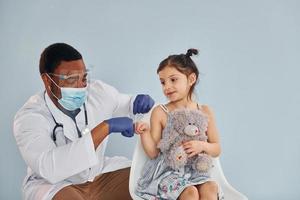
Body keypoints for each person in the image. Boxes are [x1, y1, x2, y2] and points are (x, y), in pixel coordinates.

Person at [13, 43, 154, 200]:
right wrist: (106, 127)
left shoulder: (97, 92)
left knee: (151, 181)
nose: (81, 87)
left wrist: (137, 102)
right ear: (47, 80)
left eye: (84, 78)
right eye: (71, 79)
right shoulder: (29, 118)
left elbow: (125, 103)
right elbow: (50, 168)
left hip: (97, 173)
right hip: (54, 185)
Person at [134, 49, 223, 200]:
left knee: (210, 188)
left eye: (173, 80)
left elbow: (216, 148)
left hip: (196, 171)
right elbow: (153, 152)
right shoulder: (160, 112)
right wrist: (144, 133)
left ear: (191, 79)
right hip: (170, 172)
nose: (166, 87)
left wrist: (202, 146)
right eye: (163, 82)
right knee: (190, 192)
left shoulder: (205, 111)